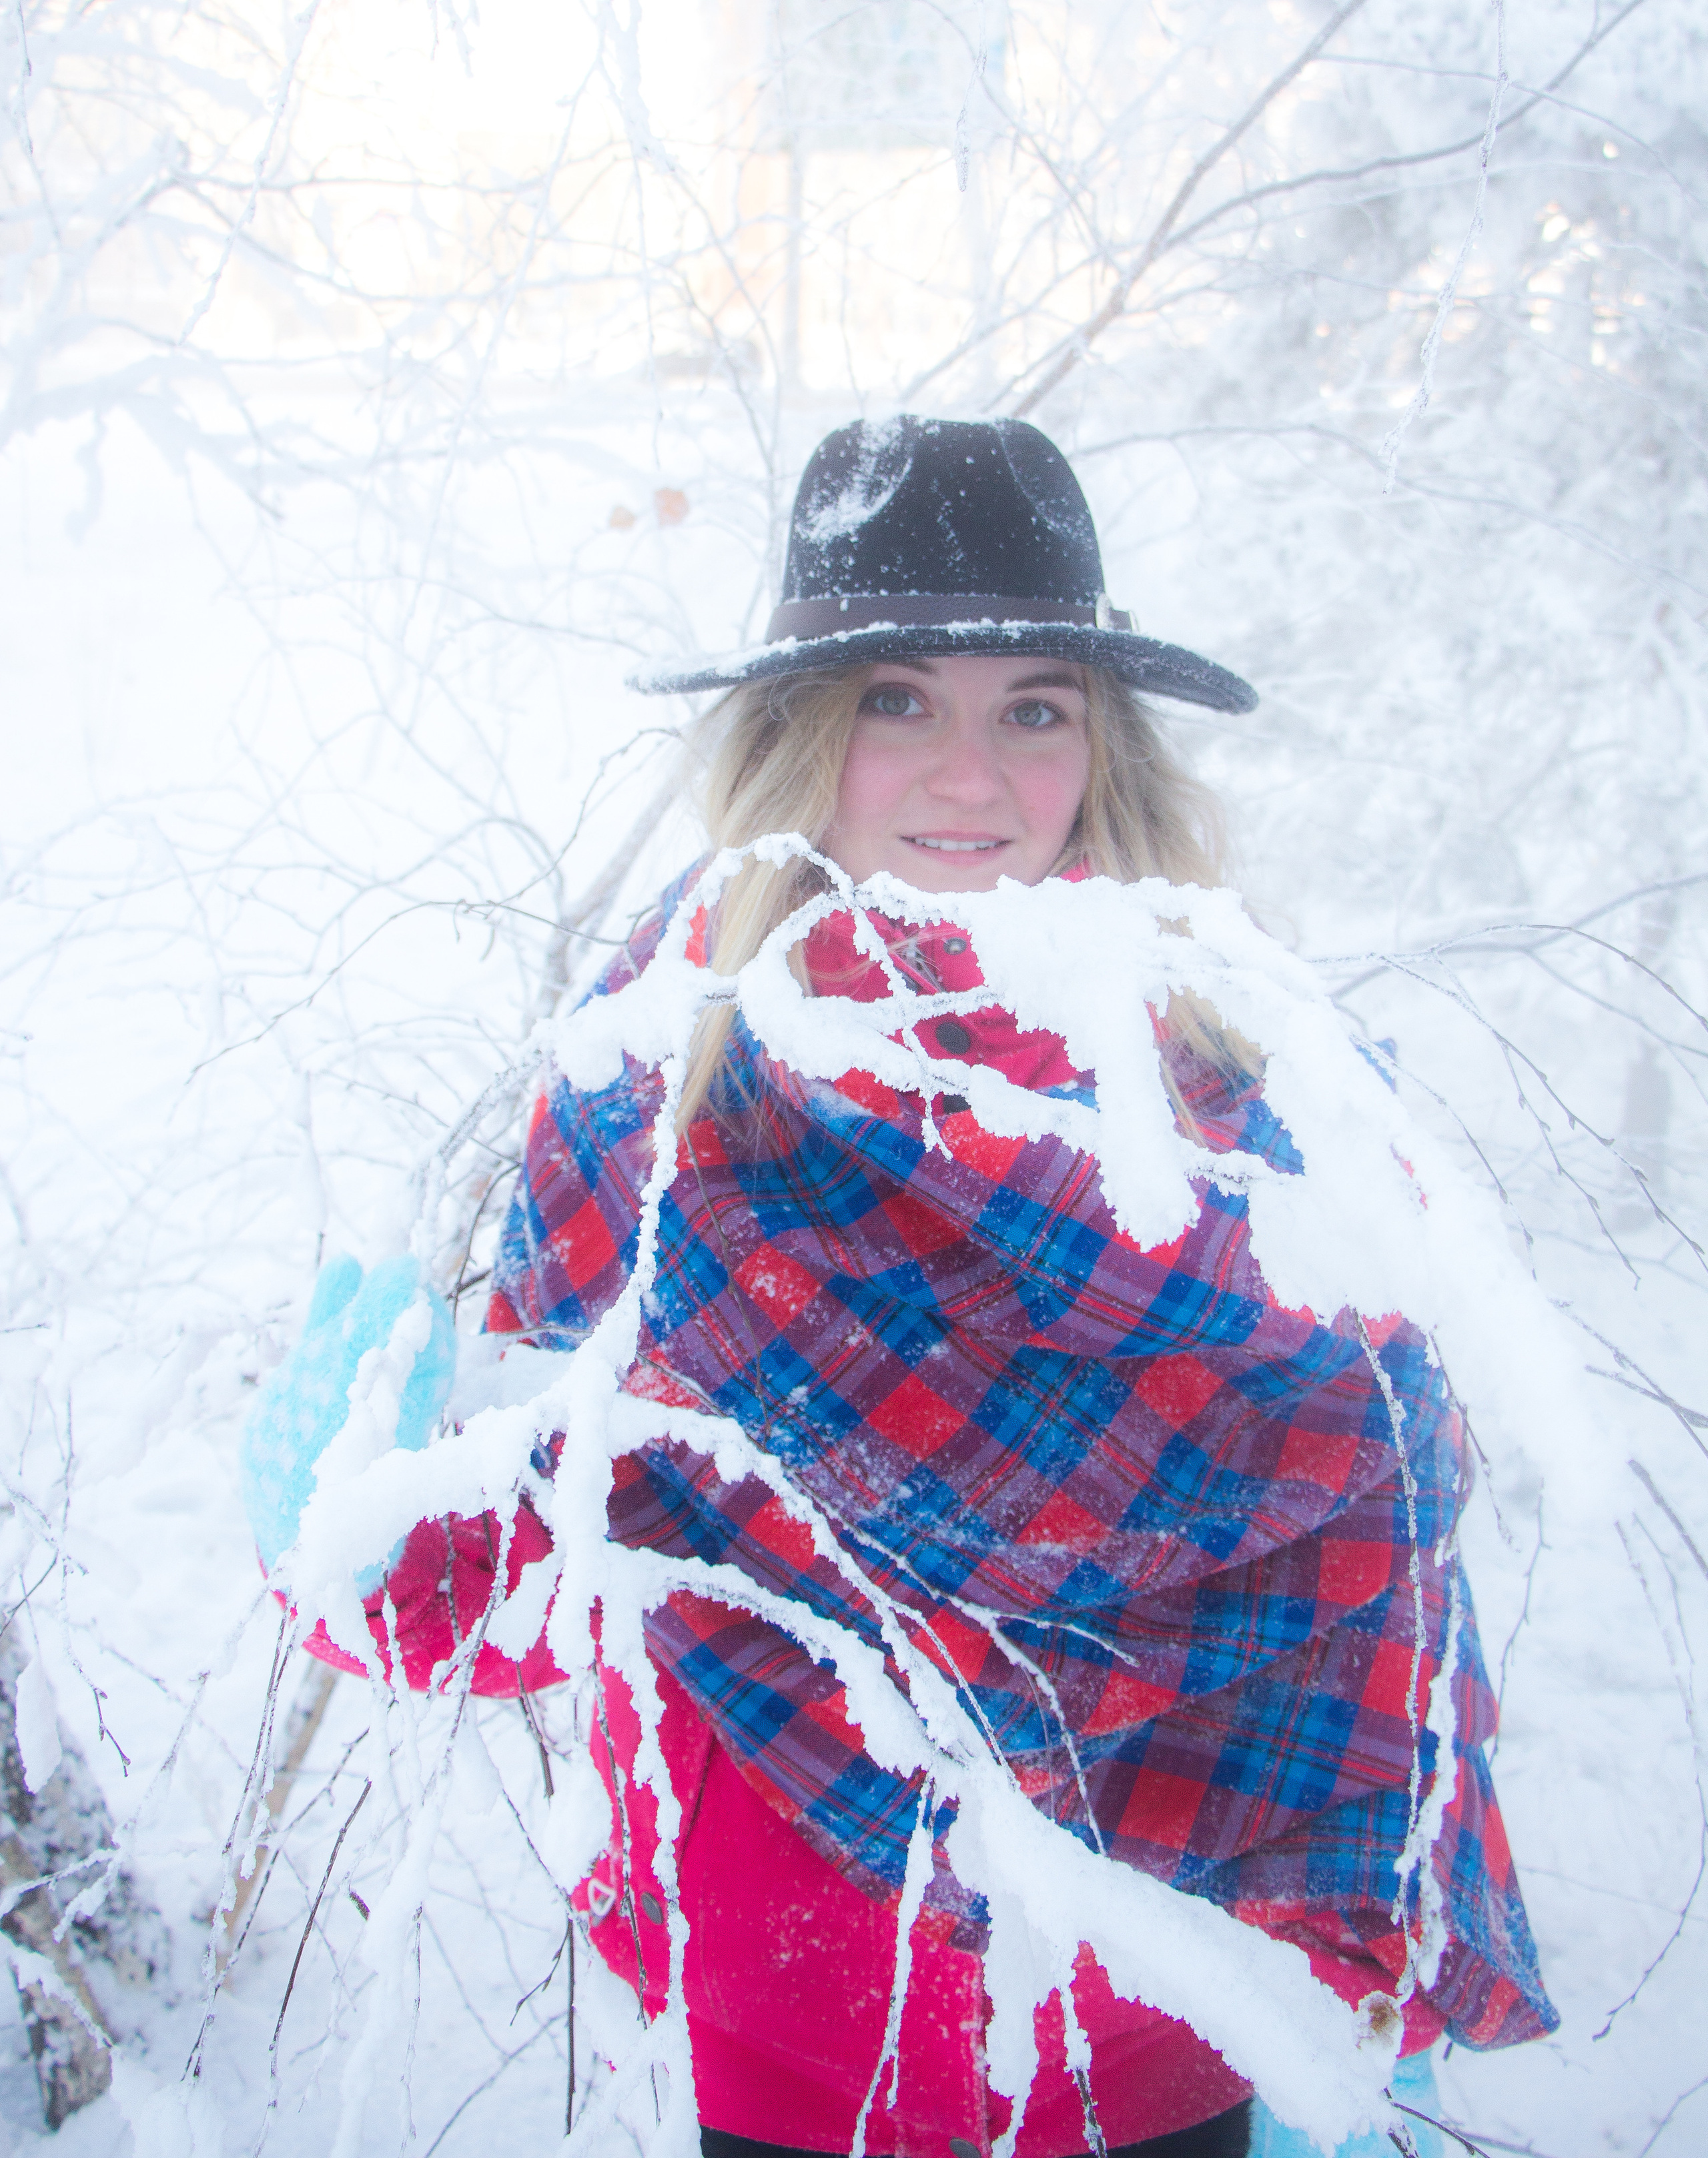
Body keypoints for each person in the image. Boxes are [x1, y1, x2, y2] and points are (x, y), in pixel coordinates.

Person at [242, 417, 1556, 2158]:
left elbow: (1384, 1495)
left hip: (1162, 1998)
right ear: (801, 729)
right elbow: (557, 1533)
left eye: (1034, 705)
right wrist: (357, 1537)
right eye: (896, 698)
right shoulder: (670, 1062)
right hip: (803, 2012)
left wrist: (1358, 1927)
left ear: (1102, 744)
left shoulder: (1233, 1079)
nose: (972, 772)